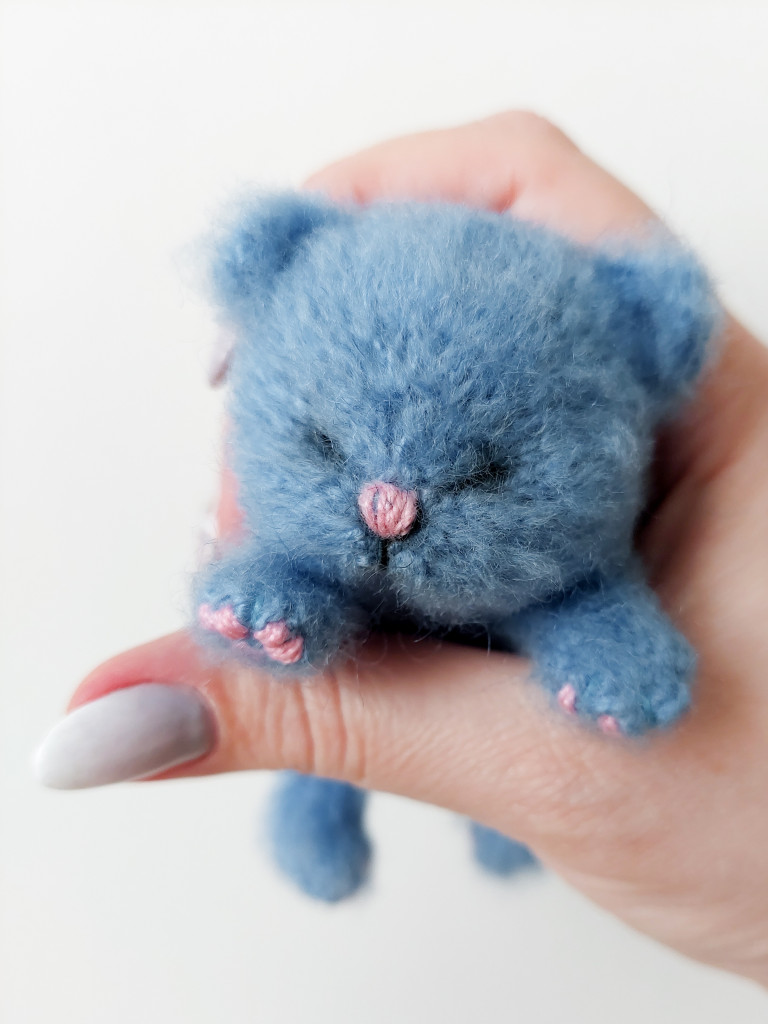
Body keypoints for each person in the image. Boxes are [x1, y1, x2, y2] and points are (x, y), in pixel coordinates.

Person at [35, 112, 768, 987]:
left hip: (535, 614)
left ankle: (500, 818)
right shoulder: (310, 535)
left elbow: (594, 605)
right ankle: (322, 803)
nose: (390, 512)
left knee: (579, 651)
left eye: (488, 473)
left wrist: (613, 661)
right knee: (297, 636)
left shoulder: (581, 514)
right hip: (319, 584)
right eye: (325, 447)